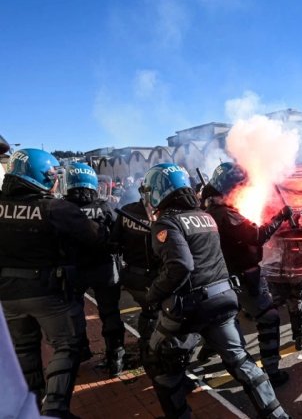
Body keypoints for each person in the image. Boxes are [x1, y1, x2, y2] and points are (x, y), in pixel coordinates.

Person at [139, 163, 289, 419]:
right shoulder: (205, 217)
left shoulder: (167, 223)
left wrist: (153, 295)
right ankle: (277, 416)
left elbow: (181, 266)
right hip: (223, 299)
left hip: (189, 307)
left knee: (160, 364)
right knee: (242, 362)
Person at [0, 149, 108, 418]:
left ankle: (33, 407)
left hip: (8, 294)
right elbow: (95, 238)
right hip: (49, 293)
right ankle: (56, 408)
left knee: (24, 351)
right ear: (42, 177)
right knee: (66, 346)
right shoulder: (56, 208)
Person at [203, 162, 293, 385]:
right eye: (238, 187)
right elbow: (258, 235)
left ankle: (209, 350)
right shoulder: (227, 215)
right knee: (269, 318)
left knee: (223, 320)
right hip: (244, 278)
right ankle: (271, 371)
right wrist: (280, 216)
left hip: (220, 278)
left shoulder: (207, 211)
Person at [63, 162, 125, 376]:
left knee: (74, 312)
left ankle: (81, 351)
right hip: (104, 269)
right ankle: (116, 356)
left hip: (74, 270)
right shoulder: (105, 206)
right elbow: (118, 236)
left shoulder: (60, 208)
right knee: (110, 313)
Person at [111, 196, 159, 359]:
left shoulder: (127, 210)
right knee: (157, 315)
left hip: (131, 276)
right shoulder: (163, 215)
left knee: (149, 312)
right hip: (154, 279)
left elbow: (114, 242)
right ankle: (153, 353)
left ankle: (147, 347)